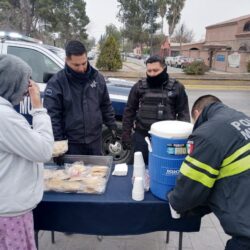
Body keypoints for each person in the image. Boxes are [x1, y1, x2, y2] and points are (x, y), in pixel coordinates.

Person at [168, 95, 250, 250]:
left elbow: (188, 190)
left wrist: (173, 198)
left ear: (198, 113)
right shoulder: (242, 118)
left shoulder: (208, 134)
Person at [0, 54, 54, 249]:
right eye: (24, 82)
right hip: (9, 212)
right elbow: (43, 150)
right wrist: (38, 108)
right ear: (11, 83)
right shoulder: (5, 118)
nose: (26, 89)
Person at [44, 40, 117, 158]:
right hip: (72, 144)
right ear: (67, 60)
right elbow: (53, 116)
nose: (82, 68)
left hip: (94, 141)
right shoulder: (57, 83)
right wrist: (58, 145)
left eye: (84, 63)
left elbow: (105, 105)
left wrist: (112, 125)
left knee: (94, 175)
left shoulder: (97, 78)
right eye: (76, 65)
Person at [121, 55, 190, 164]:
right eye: (149, 71)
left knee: (164, 169)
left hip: (167, 139)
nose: (152, 74)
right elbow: (129, 111)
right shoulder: (139, 87)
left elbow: (184, 115)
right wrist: (126, 134)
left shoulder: (177, 88)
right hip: (142, 137)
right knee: (137, 170)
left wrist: (183, 139)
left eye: (156, 70)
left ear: (164, 69)